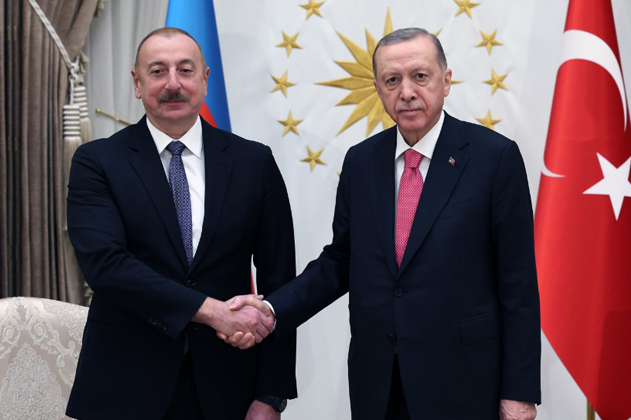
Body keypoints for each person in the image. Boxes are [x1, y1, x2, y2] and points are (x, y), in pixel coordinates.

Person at [224, 28, 541, 420]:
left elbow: (518, 282)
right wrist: (272, 310)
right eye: (392, 80)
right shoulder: (362, 162)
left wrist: (519, 392)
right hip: (378, 384)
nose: (406, 92)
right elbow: (341, 260)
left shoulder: (494, 158)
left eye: (420, 76)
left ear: (446, 81)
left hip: (464, 383)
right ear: (378, 89)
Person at [65, 27, 297, 420]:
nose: (173, 84)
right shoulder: (97, 162)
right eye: (158, 71)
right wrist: (211, 311)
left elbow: (280, 281)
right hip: (124, 385)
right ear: (137, 83)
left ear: (205, 79)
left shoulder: (253, 162)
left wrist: (272, 394)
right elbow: (105, 265)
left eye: (185, 70)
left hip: (229, 387)